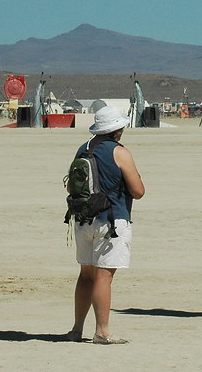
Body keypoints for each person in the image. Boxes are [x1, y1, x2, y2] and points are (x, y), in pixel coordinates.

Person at [65, 105, 145, 344]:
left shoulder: (83, 148)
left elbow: (71, 185)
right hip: (112, 220)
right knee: (104, 277)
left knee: (86, 276)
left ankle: (76, 329)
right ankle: (102, 331)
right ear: (117, 129)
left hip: (83, 218)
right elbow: (138, 191)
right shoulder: (120, 152)